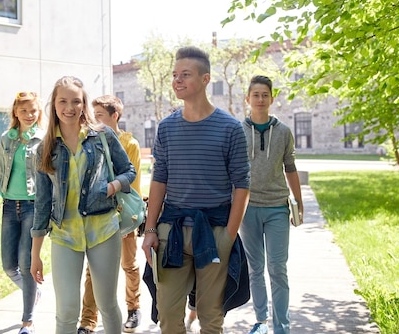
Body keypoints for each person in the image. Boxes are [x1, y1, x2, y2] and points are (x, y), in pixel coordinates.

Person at [141, 46, 251, 333]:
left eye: (185, 75)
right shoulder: (165, 128)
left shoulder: (230, 128)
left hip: (214, 231)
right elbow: (159, 179)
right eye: (175, 75)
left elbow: (242, 184)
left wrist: (228, 235)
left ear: (205, 80)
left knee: (210, 315)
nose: (177, 80)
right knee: (167, 314)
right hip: (171, 230)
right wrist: (150, 230)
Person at [30, 76, 137, 334]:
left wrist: (112, 186)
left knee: (107, 304)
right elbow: (42, 204)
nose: (70, 107)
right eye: (63, 101)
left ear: (83, 103)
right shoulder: (44, 148)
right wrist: (35, 255)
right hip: (65, 235)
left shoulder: (102, 135)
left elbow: (128, 171)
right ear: (53, 105)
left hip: (103, 230)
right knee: (67, 310)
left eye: (76, 101)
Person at [240, 75, 304, 334]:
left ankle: (282, 326)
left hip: (277, 207)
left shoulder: (284, 131)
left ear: (272, 99)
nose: (260, 99)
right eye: (255, 94)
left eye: (265, 94)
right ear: (248, 99)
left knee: (278, 268)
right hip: (248, 208)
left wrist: (298, 202)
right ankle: (261, 321)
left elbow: (290, 168)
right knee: (256, 268)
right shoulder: (238, 130)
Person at [77, 95, 143, 334]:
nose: (94, 120)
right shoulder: (90, 138)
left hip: (123, 213)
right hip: (97, 214)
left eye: (100, 116)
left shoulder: (129, 143)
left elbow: (132, 180)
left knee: (128, 265)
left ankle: (133, 308)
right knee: (92, 269)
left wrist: (131, 219)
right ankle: (87, 320)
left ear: (115, 116)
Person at [0, 91, 45, 334]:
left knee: (25, 263)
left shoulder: (43, 138)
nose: (29, 115)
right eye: (24, 111)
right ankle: (34, 294)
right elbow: (0, 174)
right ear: (15, 113)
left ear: (38, 111)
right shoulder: (6, 139)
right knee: (8, 266)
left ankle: (27, 321)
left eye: (33, 110)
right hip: (10, 206)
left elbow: (47, 176)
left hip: (32, 206)